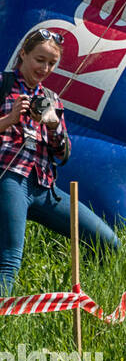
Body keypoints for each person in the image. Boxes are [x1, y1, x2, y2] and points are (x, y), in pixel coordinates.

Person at [0, 28, 118, 293]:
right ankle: (4, 326)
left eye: (52, 63)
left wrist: (54, 125)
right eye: (39, 60)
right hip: (9, 177)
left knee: (107, 241)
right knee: (9, 260)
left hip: (44, 187)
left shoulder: (52, 99)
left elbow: (63, 156)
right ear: (23, 53)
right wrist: (8, 120)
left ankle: (88, 295)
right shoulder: (3, 85)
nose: (45, 68)